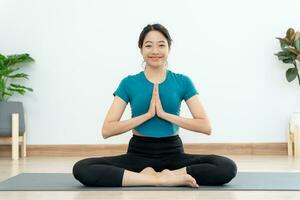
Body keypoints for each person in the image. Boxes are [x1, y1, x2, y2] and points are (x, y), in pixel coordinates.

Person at [72, 23, 237, 188]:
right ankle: (161, 179)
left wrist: (165, 115)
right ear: (141, 50)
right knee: (82, 168)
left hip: (173, 154)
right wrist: (147, 115)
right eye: (148, 45)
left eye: (161, 45)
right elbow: (107, 130)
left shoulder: (183, 81)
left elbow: (205, 126)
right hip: (138, 154)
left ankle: (161, 176)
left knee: (227, 167)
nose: (155, 51)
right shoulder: (128, 83)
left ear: (169, 48)